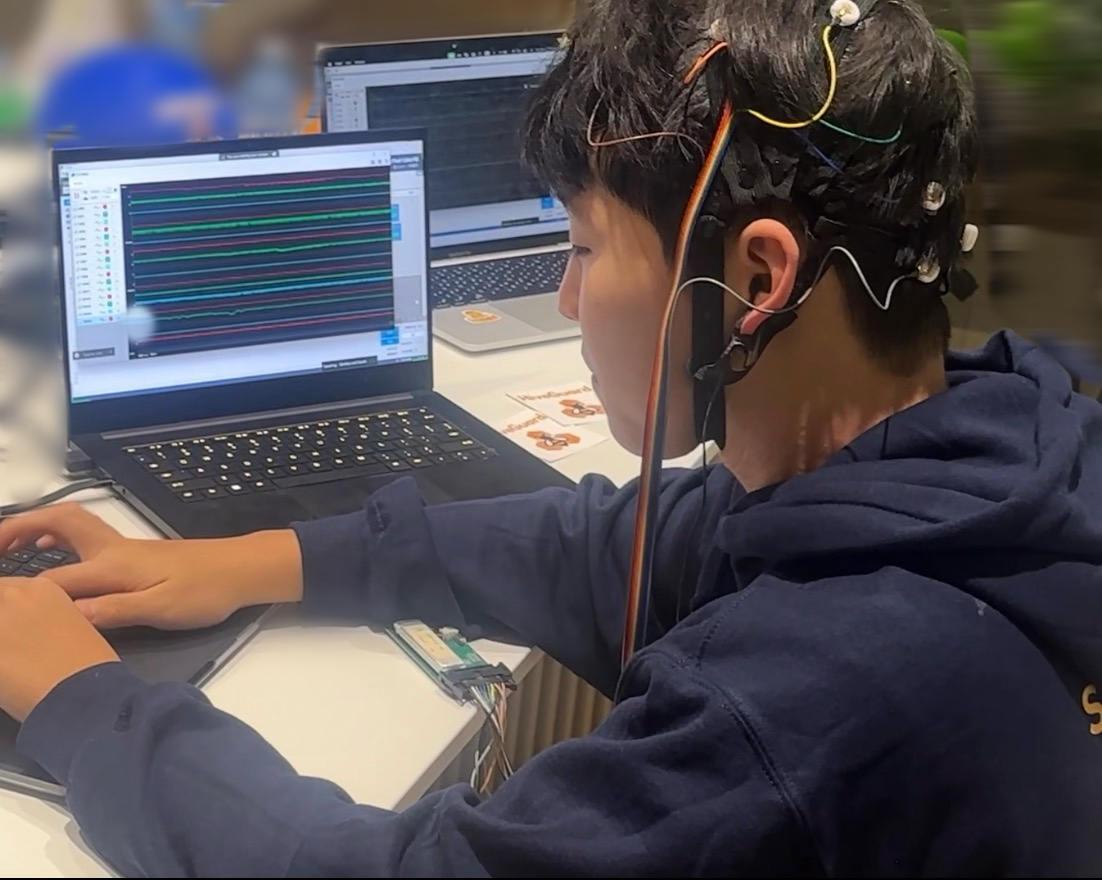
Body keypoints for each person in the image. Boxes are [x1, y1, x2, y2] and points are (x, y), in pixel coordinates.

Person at [0, 0, 1101, 875]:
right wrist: (232, 563)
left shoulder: (789, 710)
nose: (567, 299)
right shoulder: (995, 452)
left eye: (580, 246)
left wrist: (84, 702)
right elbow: (594, 545)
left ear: (756, 278)